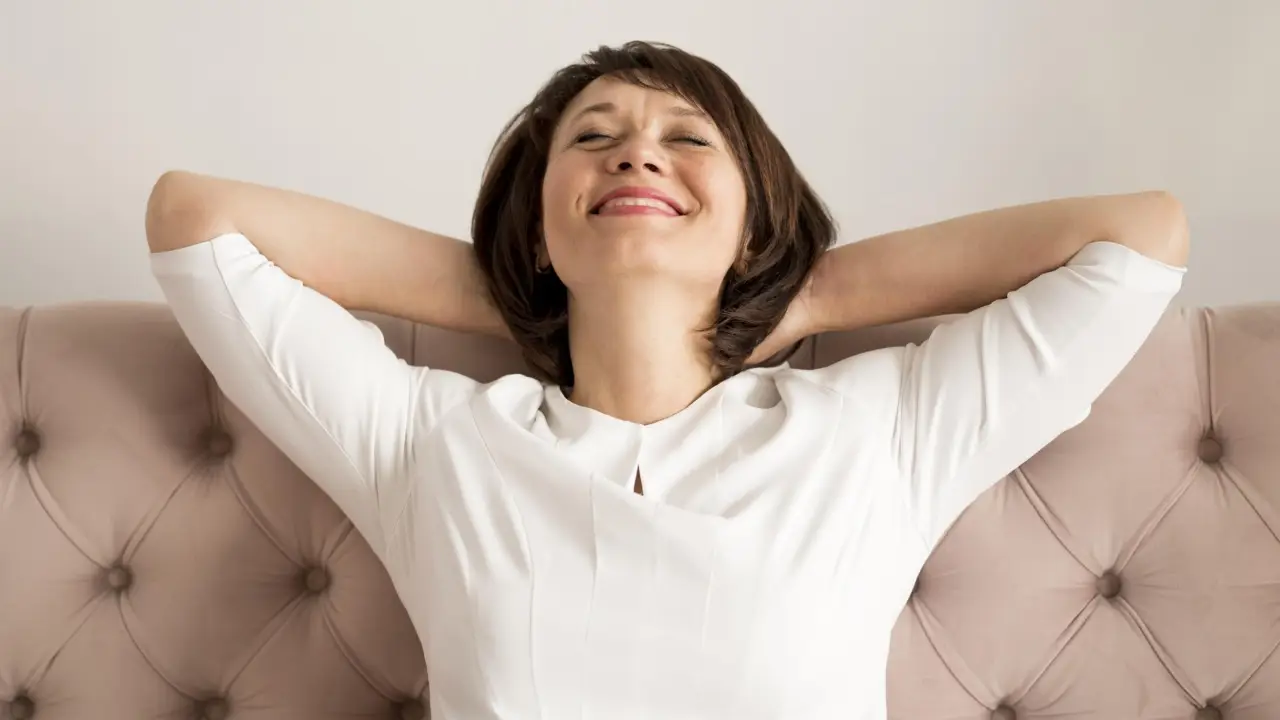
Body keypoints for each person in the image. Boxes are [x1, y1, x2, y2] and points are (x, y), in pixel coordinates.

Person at [145, 41, 1188, 720]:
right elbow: (195, 218)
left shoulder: (875, 433)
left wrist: (811, 293)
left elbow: (1139, 237)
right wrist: (537, 288)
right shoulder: (432, 446)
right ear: (538, 224)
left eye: (686, 140)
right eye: (593, 139)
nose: (637, 155)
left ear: (752, 227)